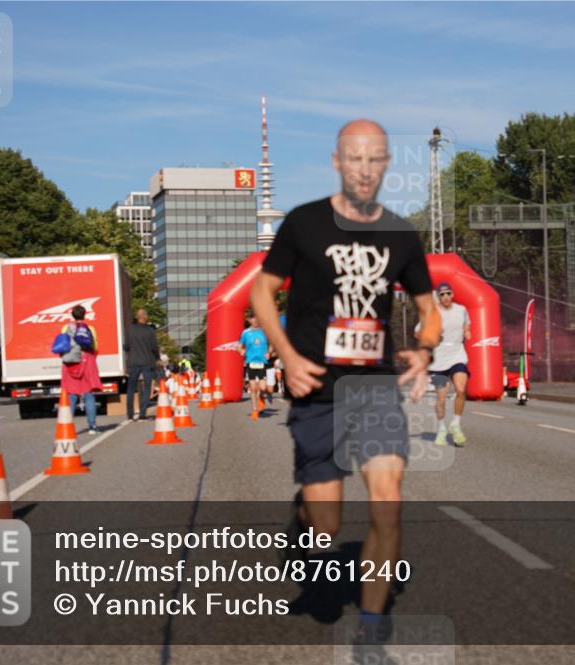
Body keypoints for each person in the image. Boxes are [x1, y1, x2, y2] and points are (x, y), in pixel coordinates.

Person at [250, 118, 440, 650]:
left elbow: (430, 312)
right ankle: (305, 512)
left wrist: (424, 351)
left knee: (388, 500)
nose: (363, 167)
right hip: (317, 386)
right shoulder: (304, 224)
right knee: (326, 532)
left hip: (375, 387)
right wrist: (285, 355)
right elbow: (261, 294)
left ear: (385, 165)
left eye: (375, 157)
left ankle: (372, 629)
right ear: (337, 161)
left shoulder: (401, 233)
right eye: (353, 157)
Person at [417, 282, 472, 446]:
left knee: (461, 389)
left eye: (448, 293)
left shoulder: (461, 310)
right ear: (438, 297)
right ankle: (441, 428)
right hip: (438, 360)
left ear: (452, 294)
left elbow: (466, 324)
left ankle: (455, 424)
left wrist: (467, 330)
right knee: (441, 397)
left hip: (457, 355)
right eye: (442, 294)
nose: (446, 297)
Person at [60, 304, 101, 434]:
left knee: (71, 395)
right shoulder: (90, 328)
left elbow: (62, 346)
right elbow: (95, 347)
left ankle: (68, 427)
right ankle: (92, 426)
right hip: (87, 361)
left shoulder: (66, 328)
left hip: (71, 363)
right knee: (89, 394)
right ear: (84, 314)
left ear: (72, 315)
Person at [125, 309, 159, 421]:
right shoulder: (150, 331)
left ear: (137, 317)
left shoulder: (130, 330)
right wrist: (157, 358)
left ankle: (130, 413)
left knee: (131, 387)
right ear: (145, 317)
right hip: (147, 361)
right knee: (147, 387)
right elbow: (154, 347)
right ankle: (142, 412)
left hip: (133, 362)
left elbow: (127, 346)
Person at [239, 313, 270, 420]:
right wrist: (241, 351)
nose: (256, 321)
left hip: (262, 362)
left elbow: (274, 342)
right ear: (249, 320)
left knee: (263, 387)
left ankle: (261, 398)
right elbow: (240, 346)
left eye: (257, 318)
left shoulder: (265, 331)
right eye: (253, 319)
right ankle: (254, 410)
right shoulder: (246, 333)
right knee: (253, 388)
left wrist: (269, 352)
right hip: (251, 361)